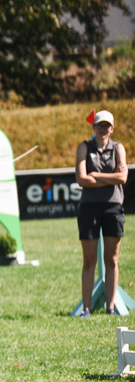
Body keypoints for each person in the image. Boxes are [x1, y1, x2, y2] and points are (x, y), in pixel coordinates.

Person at [75, 110, 128, 317]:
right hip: (89, 207)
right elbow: (81, 179)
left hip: (113, 206)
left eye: (107, 125)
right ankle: (86, 309)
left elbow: (123, 178)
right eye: (99, 125)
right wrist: (110, 177)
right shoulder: (84, 147)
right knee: (89, 261)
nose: (103, 128)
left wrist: (95, 175)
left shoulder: (118, 148)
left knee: (112, 259)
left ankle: (110, 307)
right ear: (93, 127)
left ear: (112, 128)